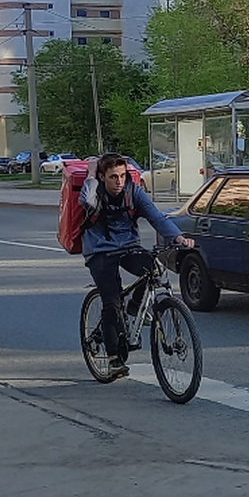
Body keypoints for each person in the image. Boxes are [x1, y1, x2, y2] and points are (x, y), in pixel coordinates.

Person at [81, 152, 194, 379]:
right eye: (113, 177)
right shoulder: (95, 191)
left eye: (122, 175)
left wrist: (179, 238)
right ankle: (114, 359)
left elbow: (158, 219)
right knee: (111, 302)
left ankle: (133, 307)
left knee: (154, 268)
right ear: (103, 177)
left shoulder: (133, 192)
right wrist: (92, 175)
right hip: (99, 251)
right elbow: (86, 202)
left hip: (128, 246)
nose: (119, 181)